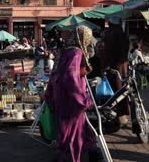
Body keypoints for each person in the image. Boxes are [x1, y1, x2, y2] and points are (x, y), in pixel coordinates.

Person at [44, 26, 96, 162]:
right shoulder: (76, 52)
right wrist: (83, 100)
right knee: (73, 132)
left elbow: (58, 72)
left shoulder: (66, 50)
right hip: (70, 98)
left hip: (61, 95)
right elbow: (71, 76)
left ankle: (89, 152)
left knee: (70, 130)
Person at [102, 16, 130, 123]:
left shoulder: (111, 34)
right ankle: (122, 115)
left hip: (114, 66)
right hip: (123, 66)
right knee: (123, 90)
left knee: (114, 91)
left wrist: (104, 66)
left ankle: (117, 115)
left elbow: (107, 51)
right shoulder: (122, 33)